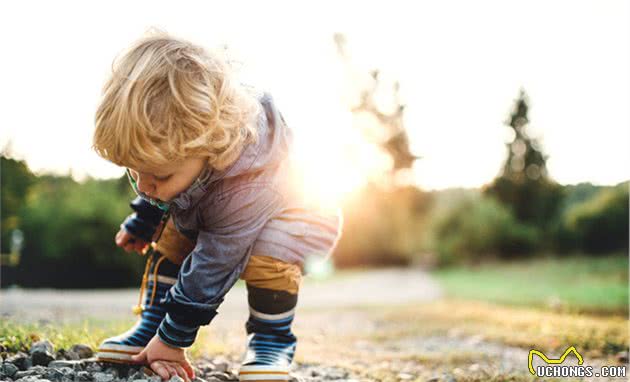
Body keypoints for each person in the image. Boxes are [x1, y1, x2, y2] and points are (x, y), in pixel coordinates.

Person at [91, 31, 342, 382]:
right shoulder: (178, 162)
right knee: (172, 236)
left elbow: (215, 262)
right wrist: (144, 218)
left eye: (159, 175)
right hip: (214, 211)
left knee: (267, 256)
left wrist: (174, 339)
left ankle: (271, 341)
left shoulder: (250, 180)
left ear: (208, 143)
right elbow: (160, 189)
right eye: (135, 171)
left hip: (295, 218)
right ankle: (151, 322)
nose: (146, 185)